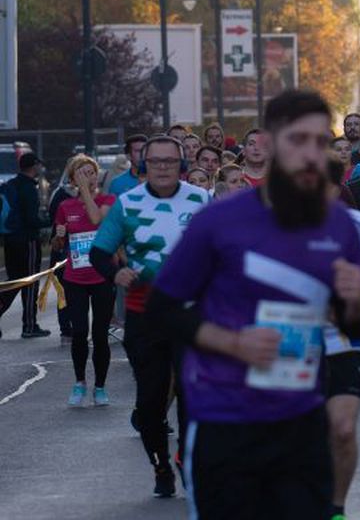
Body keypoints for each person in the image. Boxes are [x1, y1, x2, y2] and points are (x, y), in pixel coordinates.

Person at [145, 91, 360, 518]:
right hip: (225, 419)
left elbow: (358, 327)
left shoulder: (341, 225)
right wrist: (233, 343)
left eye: (320, 142)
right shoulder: (220, 221)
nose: (309, 154)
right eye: (297, 140)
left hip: (302, 419)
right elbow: (161, 308)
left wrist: (356, 300)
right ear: (269, 142)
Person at [88, 135, 210, 497]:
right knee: (151, 401)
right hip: (146, 314)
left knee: (193, 397)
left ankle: (187, 461)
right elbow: (99, 253)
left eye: (169, 162)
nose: (162, 168)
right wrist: (115, 273)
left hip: (190, 315)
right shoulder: (128, 204)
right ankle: (160, 463)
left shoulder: (201, 200)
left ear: (181, 164)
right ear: (143, 165)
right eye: (154, 161)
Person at [321, 153, 360, 520]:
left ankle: (336, 507)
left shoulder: (355, 224)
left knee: (341, 428)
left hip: (341, 340)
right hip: (291, 344)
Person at [53, 154, 116, 404]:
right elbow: (58, 245)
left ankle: (100, 386)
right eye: (81, 173)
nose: (88, 177)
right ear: (72, 178)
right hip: (75, 278)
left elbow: (95, 219)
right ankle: (80, 381)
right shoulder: (65, 207)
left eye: (91, 172)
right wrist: (59, 236)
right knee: (79, 332)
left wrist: (85, 191)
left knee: (100, 334)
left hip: (102, 277)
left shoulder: (107, 200)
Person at [0, 151, 51, 338]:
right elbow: (31, 219)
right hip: (27, 240)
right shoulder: (29, 188)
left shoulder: (11, 185)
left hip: (10, 238)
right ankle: (29, 325)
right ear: (34, 166)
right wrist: (48, 221)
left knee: (14, 280)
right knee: (30, 282)